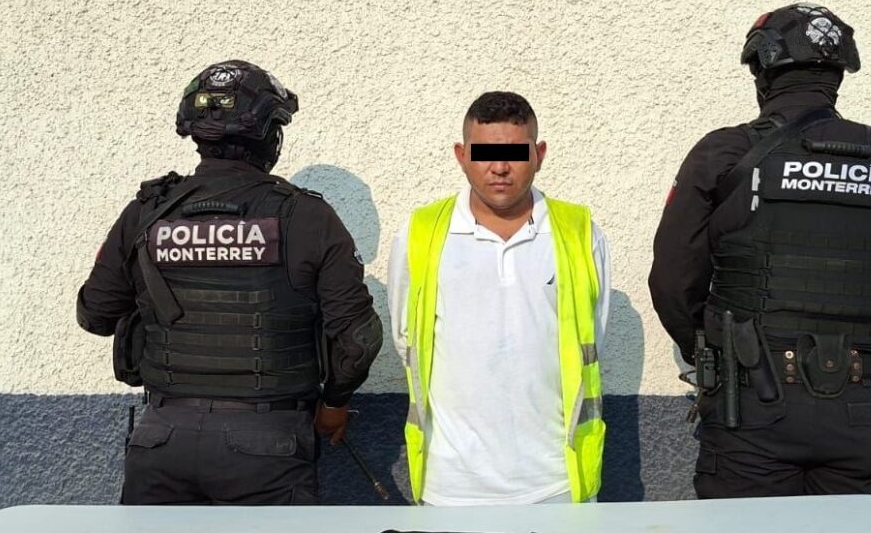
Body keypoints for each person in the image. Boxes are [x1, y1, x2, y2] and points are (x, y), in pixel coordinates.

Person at [648, 4, 871, 508]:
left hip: (753, 407)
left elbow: (674, 283)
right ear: (837, 76)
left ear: (762, 72)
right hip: (869, 410)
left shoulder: (725, 154)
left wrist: (717, 350)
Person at [76, 60, 383, 505]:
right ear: (271, 136)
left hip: (162, 439)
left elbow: (95, 315)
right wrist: (335, 404)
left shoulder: (147, 212)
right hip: (269, 446)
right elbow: (358, 338)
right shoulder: (307, 216)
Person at [388, 91, 612, 506]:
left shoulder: (580, 233)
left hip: (556, 483)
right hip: (452, 488)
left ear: (539, 154)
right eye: (485, 153)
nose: (500, 167)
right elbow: (407, 341)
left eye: (515, 153)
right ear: (461, 155)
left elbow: (591, 339)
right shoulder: (420, 234)